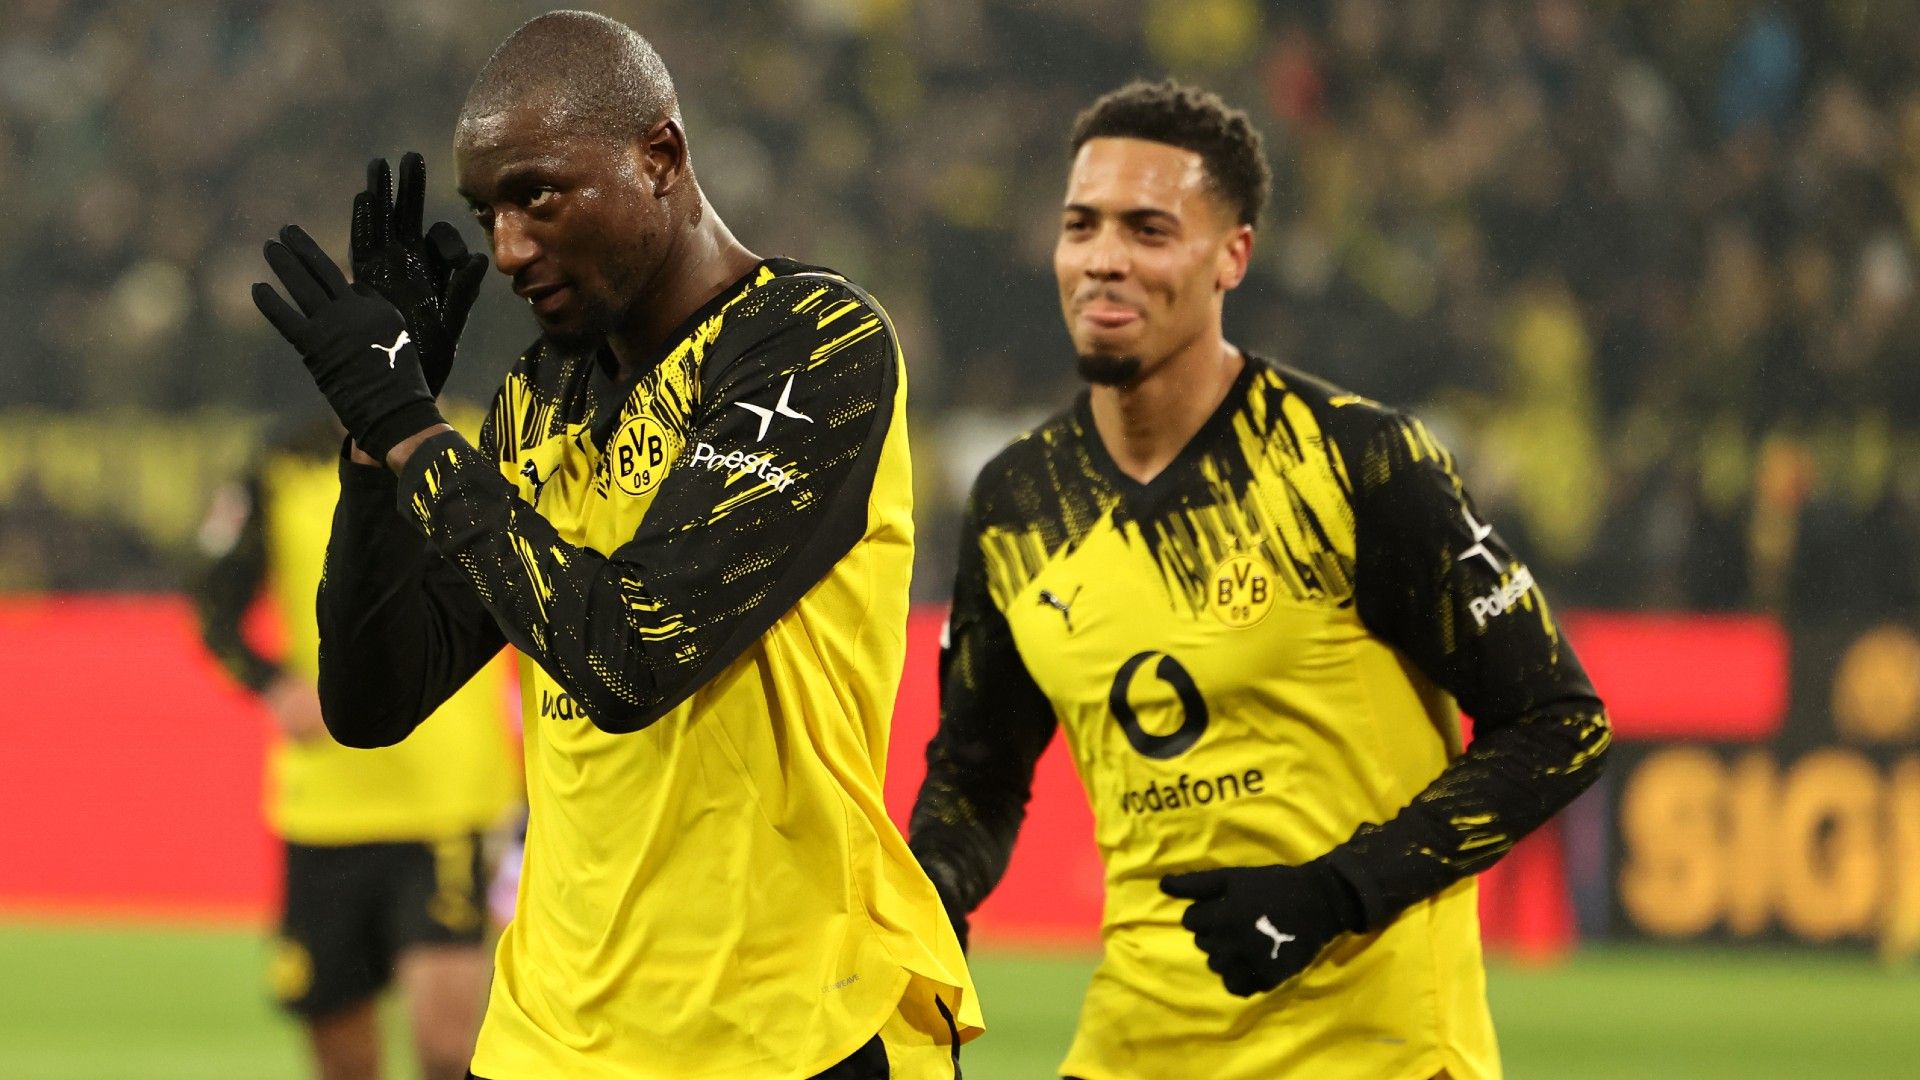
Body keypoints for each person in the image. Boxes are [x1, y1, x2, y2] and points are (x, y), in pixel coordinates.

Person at [249, 11, 977, 1079]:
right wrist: (375, 453)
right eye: (488, 211)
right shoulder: (539, 399)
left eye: (538, 194)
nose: (506, 248)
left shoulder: (811, 346)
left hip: (788, 1027)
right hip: (553, 1035)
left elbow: (632, 653)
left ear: (661, 157)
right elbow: (372, 701)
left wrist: (417, 434)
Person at [907, 80, 1612, 1080]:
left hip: (1379, 1057)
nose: (1104, 257)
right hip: (1137, 1047)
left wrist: (1335, 893)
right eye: (1082, 225)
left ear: (1232, 254)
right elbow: (976, 779)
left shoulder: (1360, 463)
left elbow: (1560, 723)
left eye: (1150, 229)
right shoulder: (1018, 504)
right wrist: (928, 898)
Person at [193, 418, 518, 1080]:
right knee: (343, 1062)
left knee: (448, 1049)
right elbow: (211, 606)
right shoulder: (279, 466)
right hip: (326, 811)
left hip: (445, 804)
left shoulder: (470, 446)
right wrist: (273, 685)